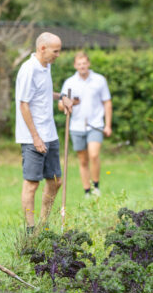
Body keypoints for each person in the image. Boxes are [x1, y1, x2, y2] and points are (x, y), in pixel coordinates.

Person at [15, 32, 73, 233]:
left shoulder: (45, 67)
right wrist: (35, 138)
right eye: (55, 51)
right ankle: (30, 230)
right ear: (42, 48)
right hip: (33, 137)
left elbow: (43, 93)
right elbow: (24, 104)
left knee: (56, 181)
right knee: (32, 184)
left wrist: (62, 96)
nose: (58, 55)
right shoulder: (28, 69)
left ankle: (43, 223)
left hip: (50, 133)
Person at [58, 52, 112, 197]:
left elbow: (107, 102)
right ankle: (87, 190)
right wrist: (67, 104)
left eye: (84, 63)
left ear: (88, 64)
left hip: (95, 124)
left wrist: (108, 125)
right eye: (79, 64)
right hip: (76, 126)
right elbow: (60, 105)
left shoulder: (99, 80)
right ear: (75, 66)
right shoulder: (70, 82)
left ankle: (96, 186)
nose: (82, 66)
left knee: (94, 155)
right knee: (83, 160)